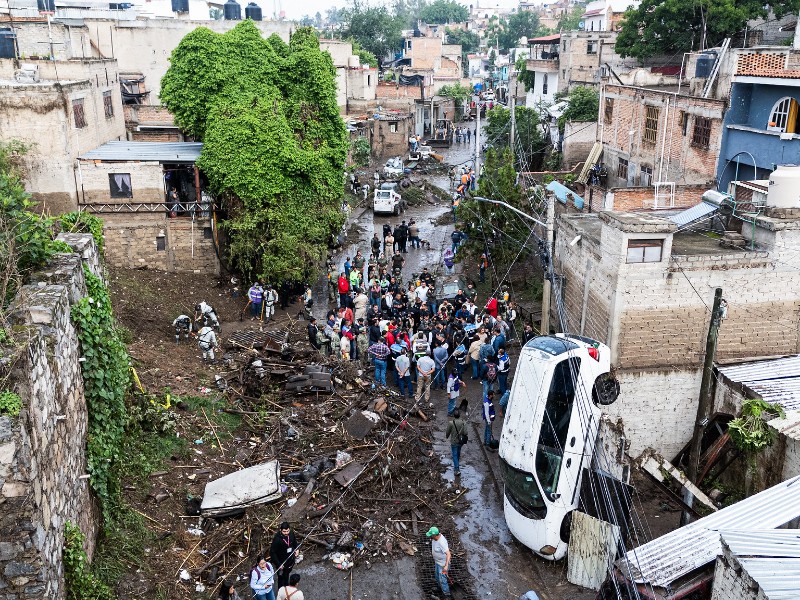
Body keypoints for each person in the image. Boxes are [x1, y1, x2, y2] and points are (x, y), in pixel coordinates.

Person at [270, 522, 298, 592]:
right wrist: (279, 564)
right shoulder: (277, 539)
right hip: (281, 562)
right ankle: (281, 592)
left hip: (290, 560)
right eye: (284, 531)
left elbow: (295, 542)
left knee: (287, 575)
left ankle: (287, 589)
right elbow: (272, 553)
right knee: (281, 578)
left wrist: (297, 549)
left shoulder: (291, 533)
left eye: (287, 531)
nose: (286, 533)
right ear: (280, 530)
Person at [426, 527, 451, 596]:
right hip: (437, 562)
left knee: (443, 580)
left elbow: (448, 554)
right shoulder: (434, 538)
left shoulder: (442, 542)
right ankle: (439, 587)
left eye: (431, 535)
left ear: (434, 535)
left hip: (443, 565)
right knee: (437, 576)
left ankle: (447, 594)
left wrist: (446, 566)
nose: (430, 536)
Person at [446, 409, 467, 476]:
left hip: (454, 441)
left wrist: (447, 436)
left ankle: (456, 469)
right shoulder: (463, 422)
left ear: (454, 416)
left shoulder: (451, 423)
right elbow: (466, 432)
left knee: (454, 455)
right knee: (458, 453)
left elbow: (447, 432)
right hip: (461, 441)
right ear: (459, 415)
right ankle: (457, 465)